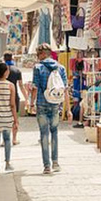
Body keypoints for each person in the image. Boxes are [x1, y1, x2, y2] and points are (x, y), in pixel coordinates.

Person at [31, 43, 67, 174]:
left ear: (42, 54)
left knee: (44, 134)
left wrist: (31, 103)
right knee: (55, 132)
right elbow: (65, 89)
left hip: (41, 103)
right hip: (55, 104)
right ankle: (55, 162)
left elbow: (35, 87)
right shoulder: (61, 68)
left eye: (38, 54)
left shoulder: (38, 67)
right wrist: (67, 108)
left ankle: (47, 166)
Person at [3, 52, 27, 145]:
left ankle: (4, 139)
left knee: (4, 118)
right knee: (15, 117)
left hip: (4, 96)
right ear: (12, 58)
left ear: (4, 59)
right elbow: (21, 85)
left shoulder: (1, 69)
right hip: (14, 96)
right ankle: (14, 138)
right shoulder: (17, 70)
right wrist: (26, 98)